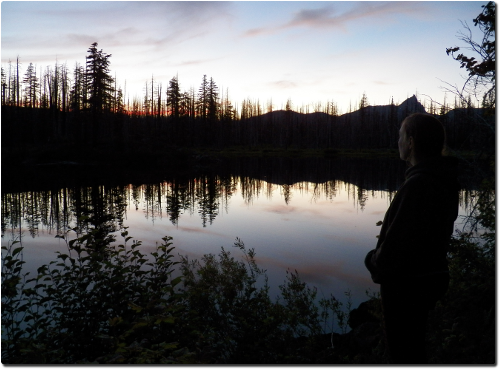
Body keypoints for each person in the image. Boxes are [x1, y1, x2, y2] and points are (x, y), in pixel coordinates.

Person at [364, 112, 459, 364]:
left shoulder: (418, 186)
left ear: (411, 142)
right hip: (428, 281)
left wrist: (372, 261)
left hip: (407, 289)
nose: (397, 142)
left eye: (400, 136)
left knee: (405, 353)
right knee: (416, 349)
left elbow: (395, 248)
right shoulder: (443, 180)